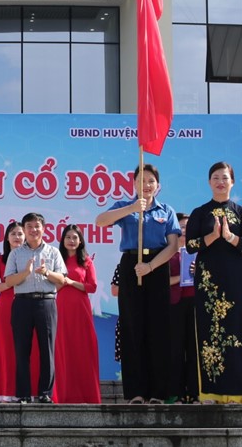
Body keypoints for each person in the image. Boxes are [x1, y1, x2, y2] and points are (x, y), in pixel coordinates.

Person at [96, 163, 180, 403]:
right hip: (131, 265)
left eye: (151, 181)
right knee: (133, 328)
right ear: (133, 184)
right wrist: (132, 208)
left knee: (158, 329)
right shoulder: (125, 206)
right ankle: (135, 392)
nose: (146, 185)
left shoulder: (166, 210)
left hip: (157, 266)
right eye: (141, 181)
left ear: (158, 185)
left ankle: (158, 393)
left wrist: (151, 266)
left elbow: (173, 245)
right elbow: (100, 221)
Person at [185, 161, 242, 404]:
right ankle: (210, 392)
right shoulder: (200, 212)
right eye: (216, 177)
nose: (220, 181)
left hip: (235, 280)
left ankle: (238, 393)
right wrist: (211, 237)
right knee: (210, 332)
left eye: (225, 177)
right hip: (208, 281)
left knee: (237, 330)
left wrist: (230, 237)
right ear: (209, 182)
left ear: (232, 182)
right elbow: (190, 245)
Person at [4, 213, 66, 403]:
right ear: (24, 229)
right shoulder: (15, 253)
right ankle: (23, 393)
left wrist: (47, 272)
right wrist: (25, 273)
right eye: (29, 226)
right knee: (22, 350)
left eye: (37, 226)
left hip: (46, 302)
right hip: (22, 302)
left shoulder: (53, 252)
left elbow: (62, 279)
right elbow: (8, 281)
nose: (33, 230)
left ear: (44, 228)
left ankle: (45, 393)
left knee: (47, 350)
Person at [0, 220, 39, 402]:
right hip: (6, 307)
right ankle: (6, 392)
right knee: (7, 349)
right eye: (13, 234)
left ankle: (30, 392)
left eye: (20, 234)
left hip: (28, 305)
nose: (17, 237)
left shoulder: (32, 257)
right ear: (7, 238)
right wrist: (11, 282)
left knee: (29, 348)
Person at [54, 223, 101, 404]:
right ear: (63, 240)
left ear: (80, 240)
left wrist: (70, 282)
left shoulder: (86, 261)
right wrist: (61, 282)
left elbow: (92, 287)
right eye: (68, 237)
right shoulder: (58, 260)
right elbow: (54, 285)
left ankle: (87, 394)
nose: (71, 241)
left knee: (83, 350)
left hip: (81, 310)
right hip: (62, 309)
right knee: (63, 350)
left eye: (75, 238)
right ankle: (64, 395)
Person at [168, 212, 198, 404]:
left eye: (189, 227)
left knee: (195, 349)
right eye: (182, 227)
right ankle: (177, 393)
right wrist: (183, 276)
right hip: (174, 305)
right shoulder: (167, 253)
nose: (185, 231)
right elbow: (162, 281)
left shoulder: (201, 252)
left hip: (196, 304)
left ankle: (195, 393)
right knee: (175, 349)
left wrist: (199, 271)